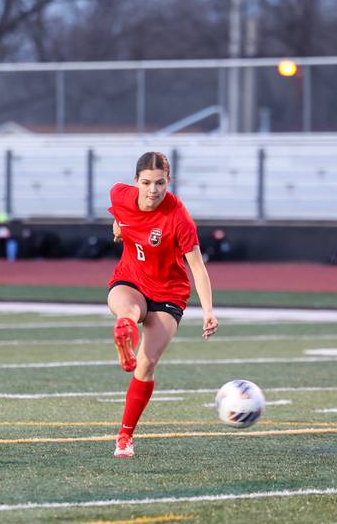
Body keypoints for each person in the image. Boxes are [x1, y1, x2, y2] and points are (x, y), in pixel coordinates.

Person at [107, 151, 218, 458]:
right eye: (146, 183)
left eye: (159, 183)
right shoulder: (120, 194)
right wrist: (118, 224)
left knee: (146, 364)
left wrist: (208, 309)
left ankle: (125, 435)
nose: (153, 190)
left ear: (169, 182)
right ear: (135, 182)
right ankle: (124, 330)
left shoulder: (178, 216)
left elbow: (196, 266)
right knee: (127, 310)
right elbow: (118, 211)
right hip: (130, 279)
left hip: (168, 294)